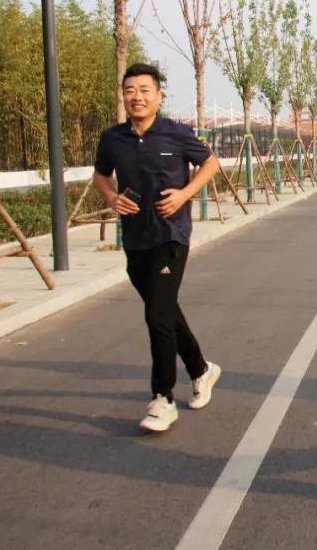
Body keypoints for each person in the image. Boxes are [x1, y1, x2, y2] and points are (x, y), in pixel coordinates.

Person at [92, 63, 222, 433]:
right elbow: (100, 176)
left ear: (158, 96)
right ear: (123, 95)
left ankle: (163, 398)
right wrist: (112, 198)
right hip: (136, 238)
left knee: (157, 314)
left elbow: (210, 163)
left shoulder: (176, 133)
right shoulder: (112, 138)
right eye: (130, 90)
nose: (137, 97)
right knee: (163, 311)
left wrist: (184, 194)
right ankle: (201, 369)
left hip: (171, 236)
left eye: (144, 90)